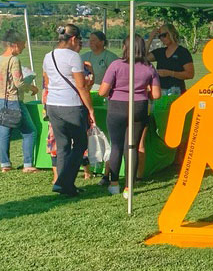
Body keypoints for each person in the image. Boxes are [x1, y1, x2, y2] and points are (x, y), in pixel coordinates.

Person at [98, 36, 161, 195]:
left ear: (125, 47)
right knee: (131, 146)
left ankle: (113, 184)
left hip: (117, 107)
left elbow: (102, 92)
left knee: (117, 146)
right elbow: (157, 94)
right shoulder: (149, 67)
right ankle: (129, 186)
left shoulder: (116, 65)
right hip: (139, 107)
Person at [42, 24, 95, 197]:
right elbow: (81, 86)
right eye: (79, 39)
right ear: (73, 39)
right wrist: (90, 109)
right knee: (80, 144)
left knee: (63, 145)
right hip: (70, 105)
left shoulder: (47, 56)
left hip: (53, 104)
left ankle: (64, 184)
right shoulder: (74, 57)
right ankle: (64, 182)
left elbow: (47, 82)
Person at [0, 30, 39, 173]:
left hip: (1, 100)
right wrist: (31, 88)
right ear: (14, 45)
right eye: (23, 44)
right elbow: (18, 83)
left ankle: (5, 164)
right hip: (14, 100)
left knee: (4, 132)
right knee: (30, 131)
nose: (23, 47)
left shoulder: (0, 59)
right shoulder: (14, 60)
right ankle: (28, 164)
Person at [148, 23, 195, 96]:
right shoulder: (160, 52)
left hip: (177, 91)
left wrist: (170, 73)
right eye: (159, 37)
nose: (162, 38)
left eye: (164, 35)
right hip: (161, 92)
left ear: (171, 34)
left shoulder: (182, 52)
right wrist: (151, 37)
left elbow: (190, 74)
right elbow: (142, 57)